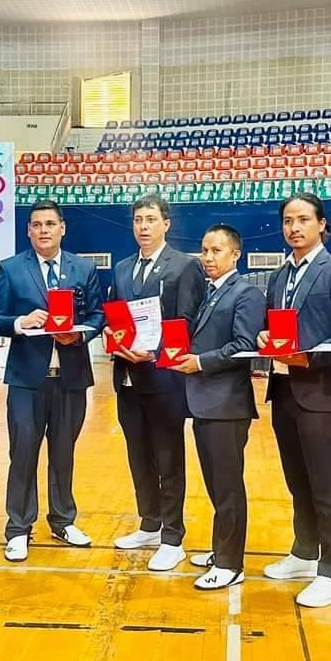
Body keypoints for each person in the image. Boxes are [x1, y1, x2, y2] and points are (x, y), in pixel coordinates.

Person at [258, 194, 331, 608]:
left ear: (321, 224)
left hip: (319, 391)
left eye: (303, 219)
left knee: (325, 482)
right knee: (297, 478)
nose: (294, 227)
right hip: (283, 388)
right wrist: (264, 337)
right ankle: (304, 551)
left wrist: (310, 356)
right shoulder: (278, 276)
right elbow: (273, 326)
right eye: (288, 220)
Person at [0, 200, 104, 562]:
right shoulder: (10, 269)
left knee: (64, 452)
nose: (43, 230)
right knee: (23, 452)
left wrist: (80, 335)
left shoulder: (83, 268)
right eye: (37, 224)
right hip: (27, 379)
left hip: (71, 378)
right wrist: (20, 322)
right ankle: (18, 528)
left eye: (50, 224)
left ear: (62, 228)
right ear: (28, 231)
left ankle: (62, 520)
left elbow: (98, 314)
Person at [108, 194, 204, 572]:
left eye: (150, 219)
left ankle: (172, 537)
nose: (143, 226)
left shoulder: (184, 266)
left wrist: (156, 350)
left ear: (166, 224)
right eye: (138, 220)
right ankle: (149, 524)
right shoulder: (122, 268)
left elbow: (189, 322)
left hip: (164, 377)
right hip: (127, 376)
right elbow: (114, 318)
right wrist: (113, 338)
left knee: (168, 458)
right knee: (138, 455)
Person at [171, 223, 266, 591]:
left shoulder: (246, 293)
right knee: (215, 483)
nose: (208, 258)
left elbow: (244, 345)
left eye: (217, 251)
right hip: (205, 402)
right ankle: (221, 548)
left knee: (227, 486)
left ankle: (230, 564)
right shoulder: (210, 292)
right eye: (205, 250)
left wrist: (200, 362)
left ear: (235, 254)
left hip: (227, 404)